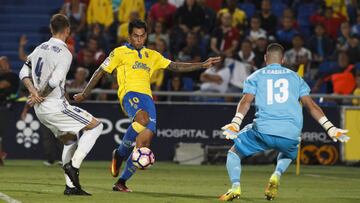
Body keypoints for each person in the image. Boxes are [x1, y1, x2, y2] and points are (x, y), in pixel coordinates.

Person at [73, 19, 220, 192]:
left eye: (142, 36)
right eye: (135, 36)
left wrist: (202, 65)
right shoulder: (119, 53)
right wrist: (85, 93)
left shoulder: (152, 55)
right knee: (142, 119)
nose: (139, 40)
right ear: (129, 36)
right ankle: (119, 154)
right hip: (129, 94)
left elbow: (175, 66)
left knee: (144, 145)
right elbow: (100, 72)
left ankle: (121, 182)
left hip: (148, 99)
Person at [219, 43, 350, 201]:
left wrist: (235, 122)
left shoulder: (256, 76)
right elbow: (311, 106)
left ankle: (235, 187)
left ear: (266, 58)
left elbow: (246, 102)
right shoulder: (295, 77)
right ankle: (276, 175)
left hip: (263, 131)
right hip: (290, 134)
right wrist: (330, 128)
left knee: (234, 153)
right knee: (288, 152)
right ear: (283, 60)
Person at [19, 14, 103, 196]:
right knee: (96, 126)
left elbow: (23, 71)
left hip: (41, 109)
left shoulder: (39, 48)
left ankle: (71, 187)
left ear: (51, 29)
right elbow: (55, 82)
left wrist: (33, 92)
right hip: (54, 105)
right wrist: (38, 95)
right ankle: (73, 167)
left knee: (70, 139)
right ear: (68, 30)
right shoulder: (65, 52)